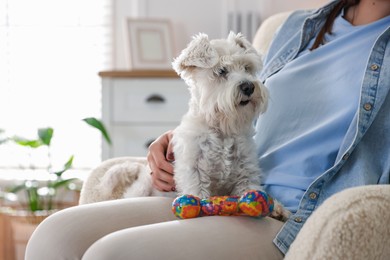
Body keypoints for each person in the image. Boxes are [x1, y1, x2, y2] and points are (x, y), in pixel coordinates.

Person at [25, 0, 390, 259]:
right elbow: (244, 110)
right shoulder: (297, 28)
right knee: (54, 237)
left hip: (283, 214)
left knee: (111, 255)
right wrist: (181, 140)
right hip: (218, 195)